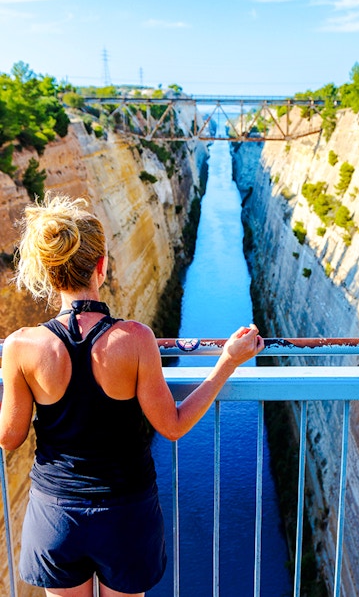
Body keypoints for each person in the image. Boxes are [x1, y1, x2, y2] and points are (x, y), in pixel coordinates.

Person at [0, 193, 264, 597]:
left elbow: (10, 437)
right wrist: (227, 361)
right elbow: (172, 426)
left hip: (55, 514)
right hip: (125, 513)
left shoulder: (21, 347)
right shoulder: (135, 339)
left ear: (48, 274)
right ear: (101, 267)